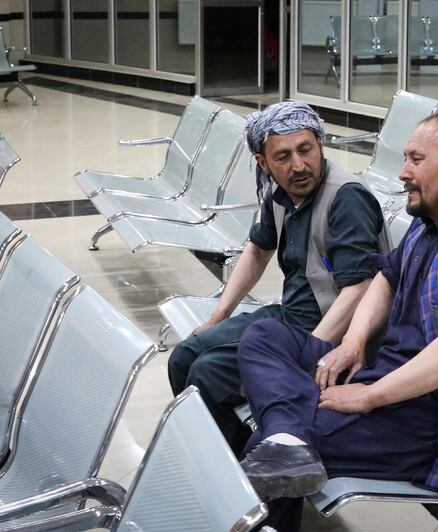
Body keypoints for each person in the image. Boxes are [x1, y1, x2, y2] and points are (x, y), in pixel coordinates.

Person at [237, 111, 438, 532]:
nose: (403, 172)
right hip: (382, 373)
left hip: (430, 418)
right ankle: (288, 433)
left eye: (415, 159)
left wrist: (370, 396)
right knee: (264, 336)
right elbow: (386, 278)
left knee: (267, 453)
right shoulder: (428, 224)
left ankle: (285, 434)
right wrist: (353, 343)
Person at [167, 101, 391, 453]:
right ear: (264, 163)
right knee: (183, 358)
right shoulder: (279, 193)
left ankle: (250, 468)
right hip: (289, 318)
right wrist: (218, 316)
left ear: (320, 145)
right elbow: (257, 249)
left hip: (330, 336)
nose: (299, 165)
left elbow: (359, 289)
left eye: (306, 150)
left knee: (207, 373)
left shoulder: (346, 198)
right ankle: (231, 454)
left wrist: (308, 353)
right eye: (283, 157)